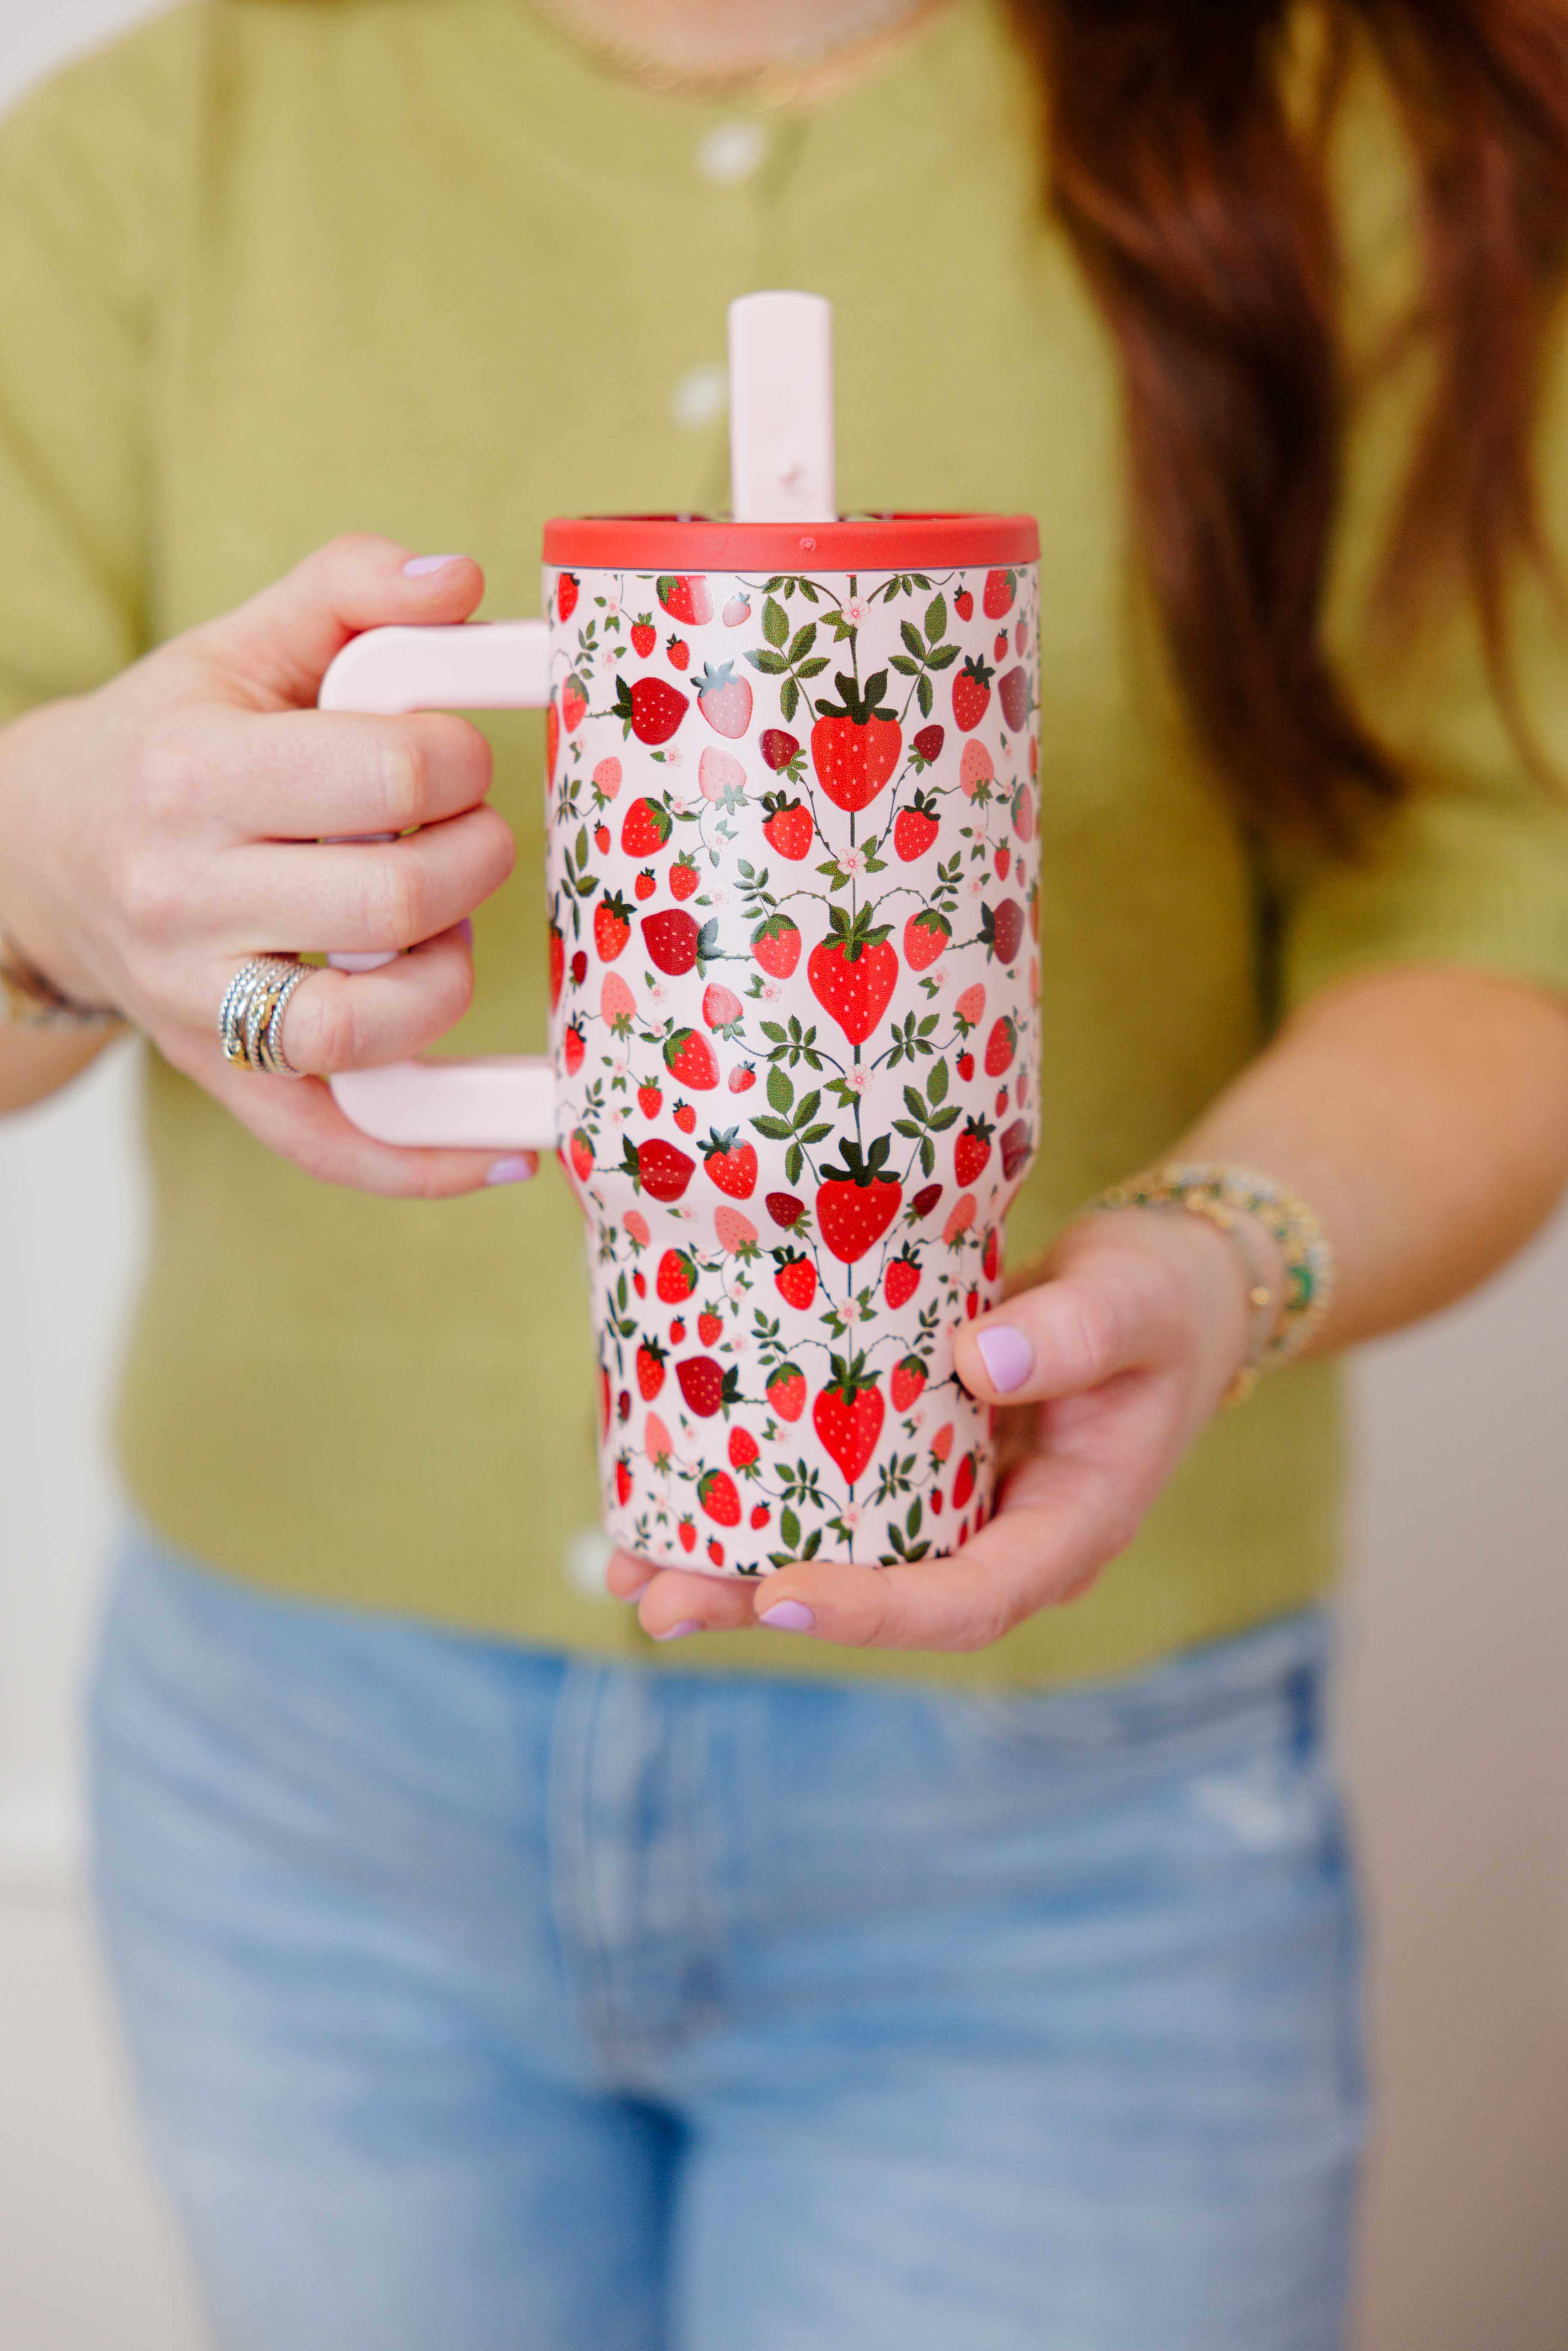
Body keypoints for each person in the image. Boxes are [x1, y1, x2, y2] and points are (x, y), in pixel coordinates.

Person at [3, 0, 1568, 2344]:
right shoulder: (158, 145)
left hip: (1066, 1833)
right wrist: (45, 870)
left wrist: (1212, 1260)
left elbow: (1500, 921)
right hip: (305, 1792)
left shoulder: (1339, 123)